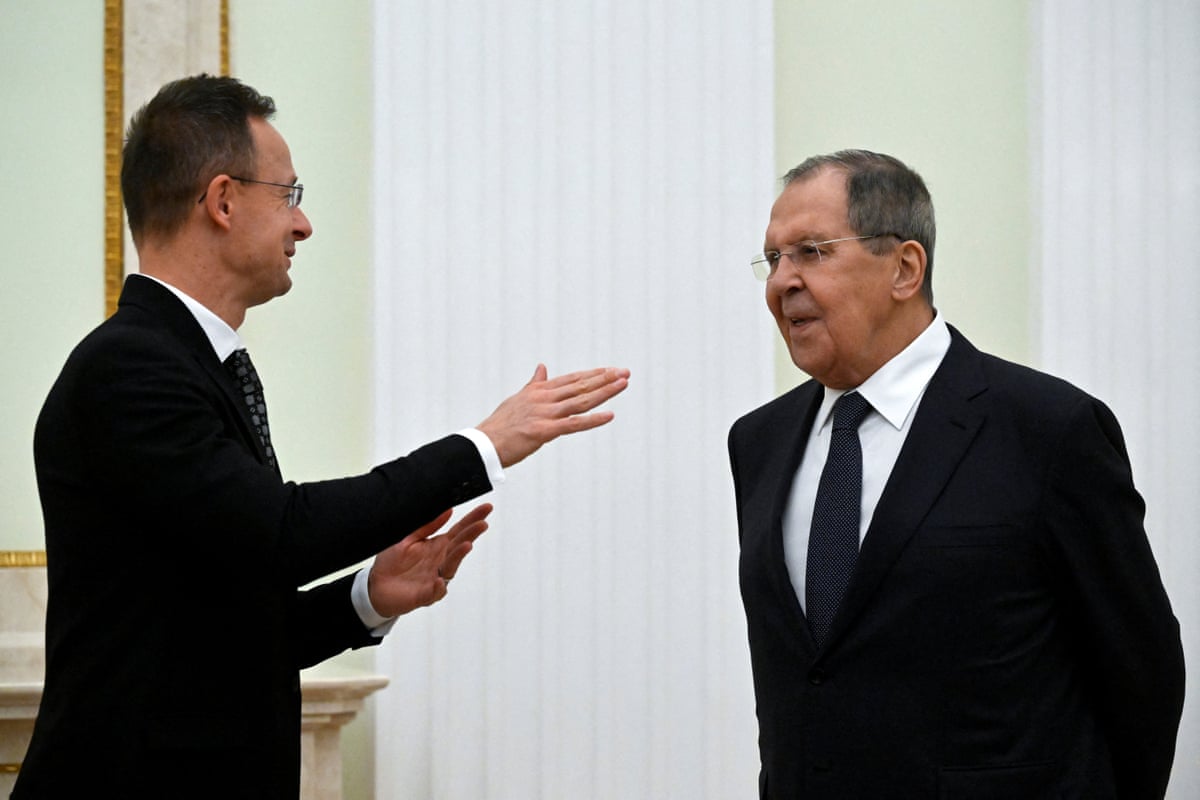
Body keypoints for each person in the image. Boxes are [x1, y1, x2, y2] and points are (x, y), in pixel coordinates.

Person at [14, 74, 629, 799]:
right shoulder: (131, 368)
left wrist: (370, 596)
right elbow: (280, 534)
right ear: (221, 200)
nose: (303, 225)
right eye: (290, 196)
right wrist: (485, 444)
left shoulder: (184, 363)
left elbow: (223, 631)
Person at [728, 149, 1184, 799]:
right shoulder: (759, 441)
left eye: (812, 251)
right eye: (773, 259)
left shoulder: (1048, 428)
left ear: (905, 268)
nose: (782, 281)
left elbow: (1142, 670)